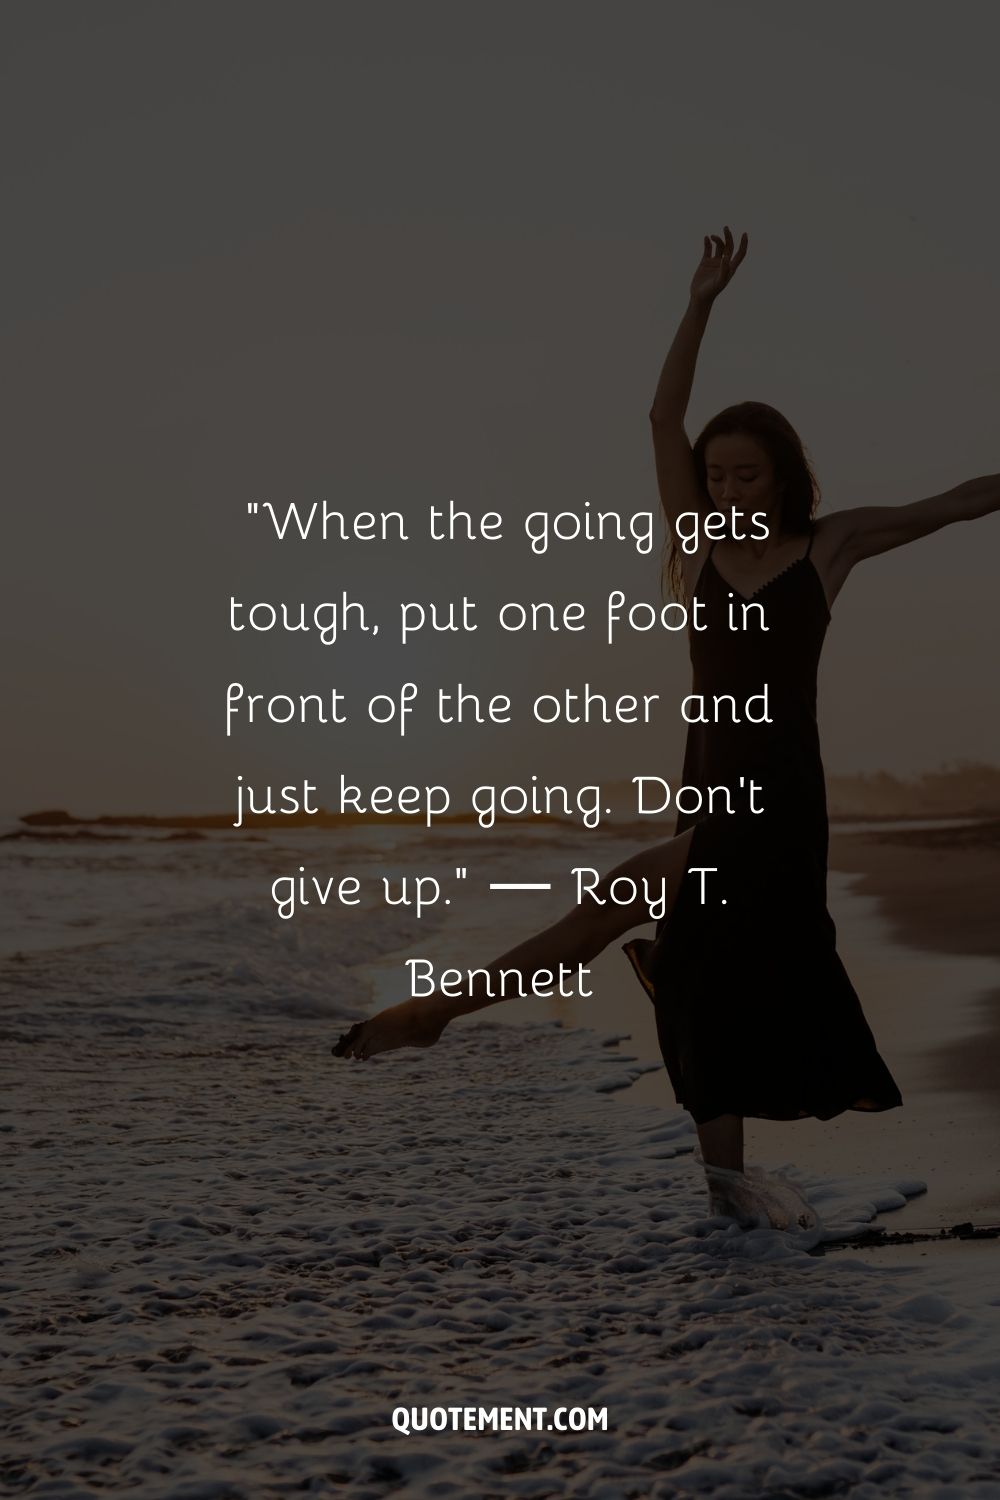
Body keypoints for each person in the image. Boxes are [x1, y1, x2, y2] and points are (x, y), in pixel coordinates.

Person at [333, 226, 1000, 1228]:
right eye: (716, 476)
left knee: (615, 904)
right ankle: (726, 1194)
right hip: (709, 785)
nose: (727, 492)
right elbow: (659, 415)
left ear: (781, 476)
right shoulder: (692, 551)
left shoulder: (827, 549)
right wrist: (699, 303)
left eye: (746, 476)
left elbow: (954, 502)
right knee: (698, 978)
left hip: (778, 804)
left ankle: (436, 1012)